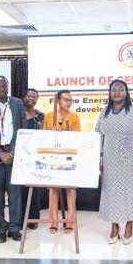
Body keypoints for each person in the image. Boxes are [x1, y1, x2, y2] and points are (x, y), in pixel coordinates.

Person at [96, 80, 133, 244]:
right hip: (110, 161)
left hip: (130, 161)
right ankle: (114, 227)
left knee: (129, 194)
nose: (117, 92)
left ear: (126, 93)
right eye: (114, 90)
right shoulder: (104, 112)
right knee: (112, 194)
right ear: (110, 93)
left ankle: (128, 226)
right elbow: (98, 137)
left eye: (121, 89)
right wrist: (97, 159)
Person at [0, 76, 26, 242]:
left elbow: (23, 129)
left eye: (5, 85)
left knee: (15, 195)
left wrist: (12, 151)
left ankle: (15, 228)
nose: (2, 88)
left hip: (14, 155)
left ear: (8, 86)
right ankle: (1, 229)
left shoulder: (17, 103)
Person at [42, 90, 81, 233]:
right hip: (52, 158)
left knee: (70, 190)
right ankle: (54, 221)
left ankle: (69, 221)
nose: (68, 102)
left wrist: (64, 135)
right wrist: (51, 135)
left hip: (69, 158)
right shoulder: (48, 117)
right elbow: (43, 138)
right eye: (65, 99)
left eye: (70, 100)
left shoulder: (75, 117)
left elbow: (78, 139)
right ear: (58, 100)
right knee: (53, 190)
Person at [21, 88, 45, 229]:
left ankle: (33, 220)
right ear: (24, 97)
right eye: (28, 95)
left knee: (34, 190)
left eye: (34, 96)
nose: (31, 98)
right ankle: (20, 218)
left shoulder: (40, 116)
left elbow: (43, 134)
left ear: (37, 99)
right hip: (19, 156)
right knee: (20, 190)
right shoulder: (17, 113)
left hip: (35, 157)